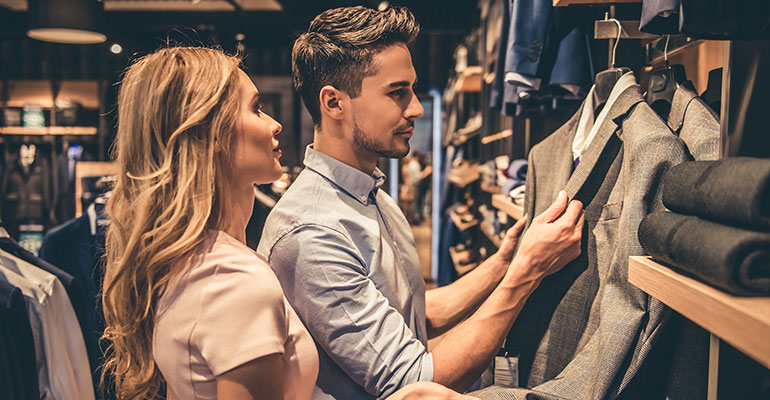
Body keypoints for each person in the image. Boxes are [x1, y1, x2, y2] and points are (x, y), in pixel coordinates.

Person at [100, 46, 476, 400]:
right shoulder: (232, 281)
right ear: (211, 134)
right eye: (257, 108)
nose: (275, 124)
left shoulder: (205, 262)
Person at [258, 6, 585, 399]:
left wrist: (505, 264)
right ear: (334, 103)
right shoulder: (312, 232)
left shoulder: (370, 192)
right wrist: (526, 274)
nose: (415, 108)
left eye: (411, 90)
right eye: (398, 93)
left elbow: (417, 311)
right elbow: (414, 385)